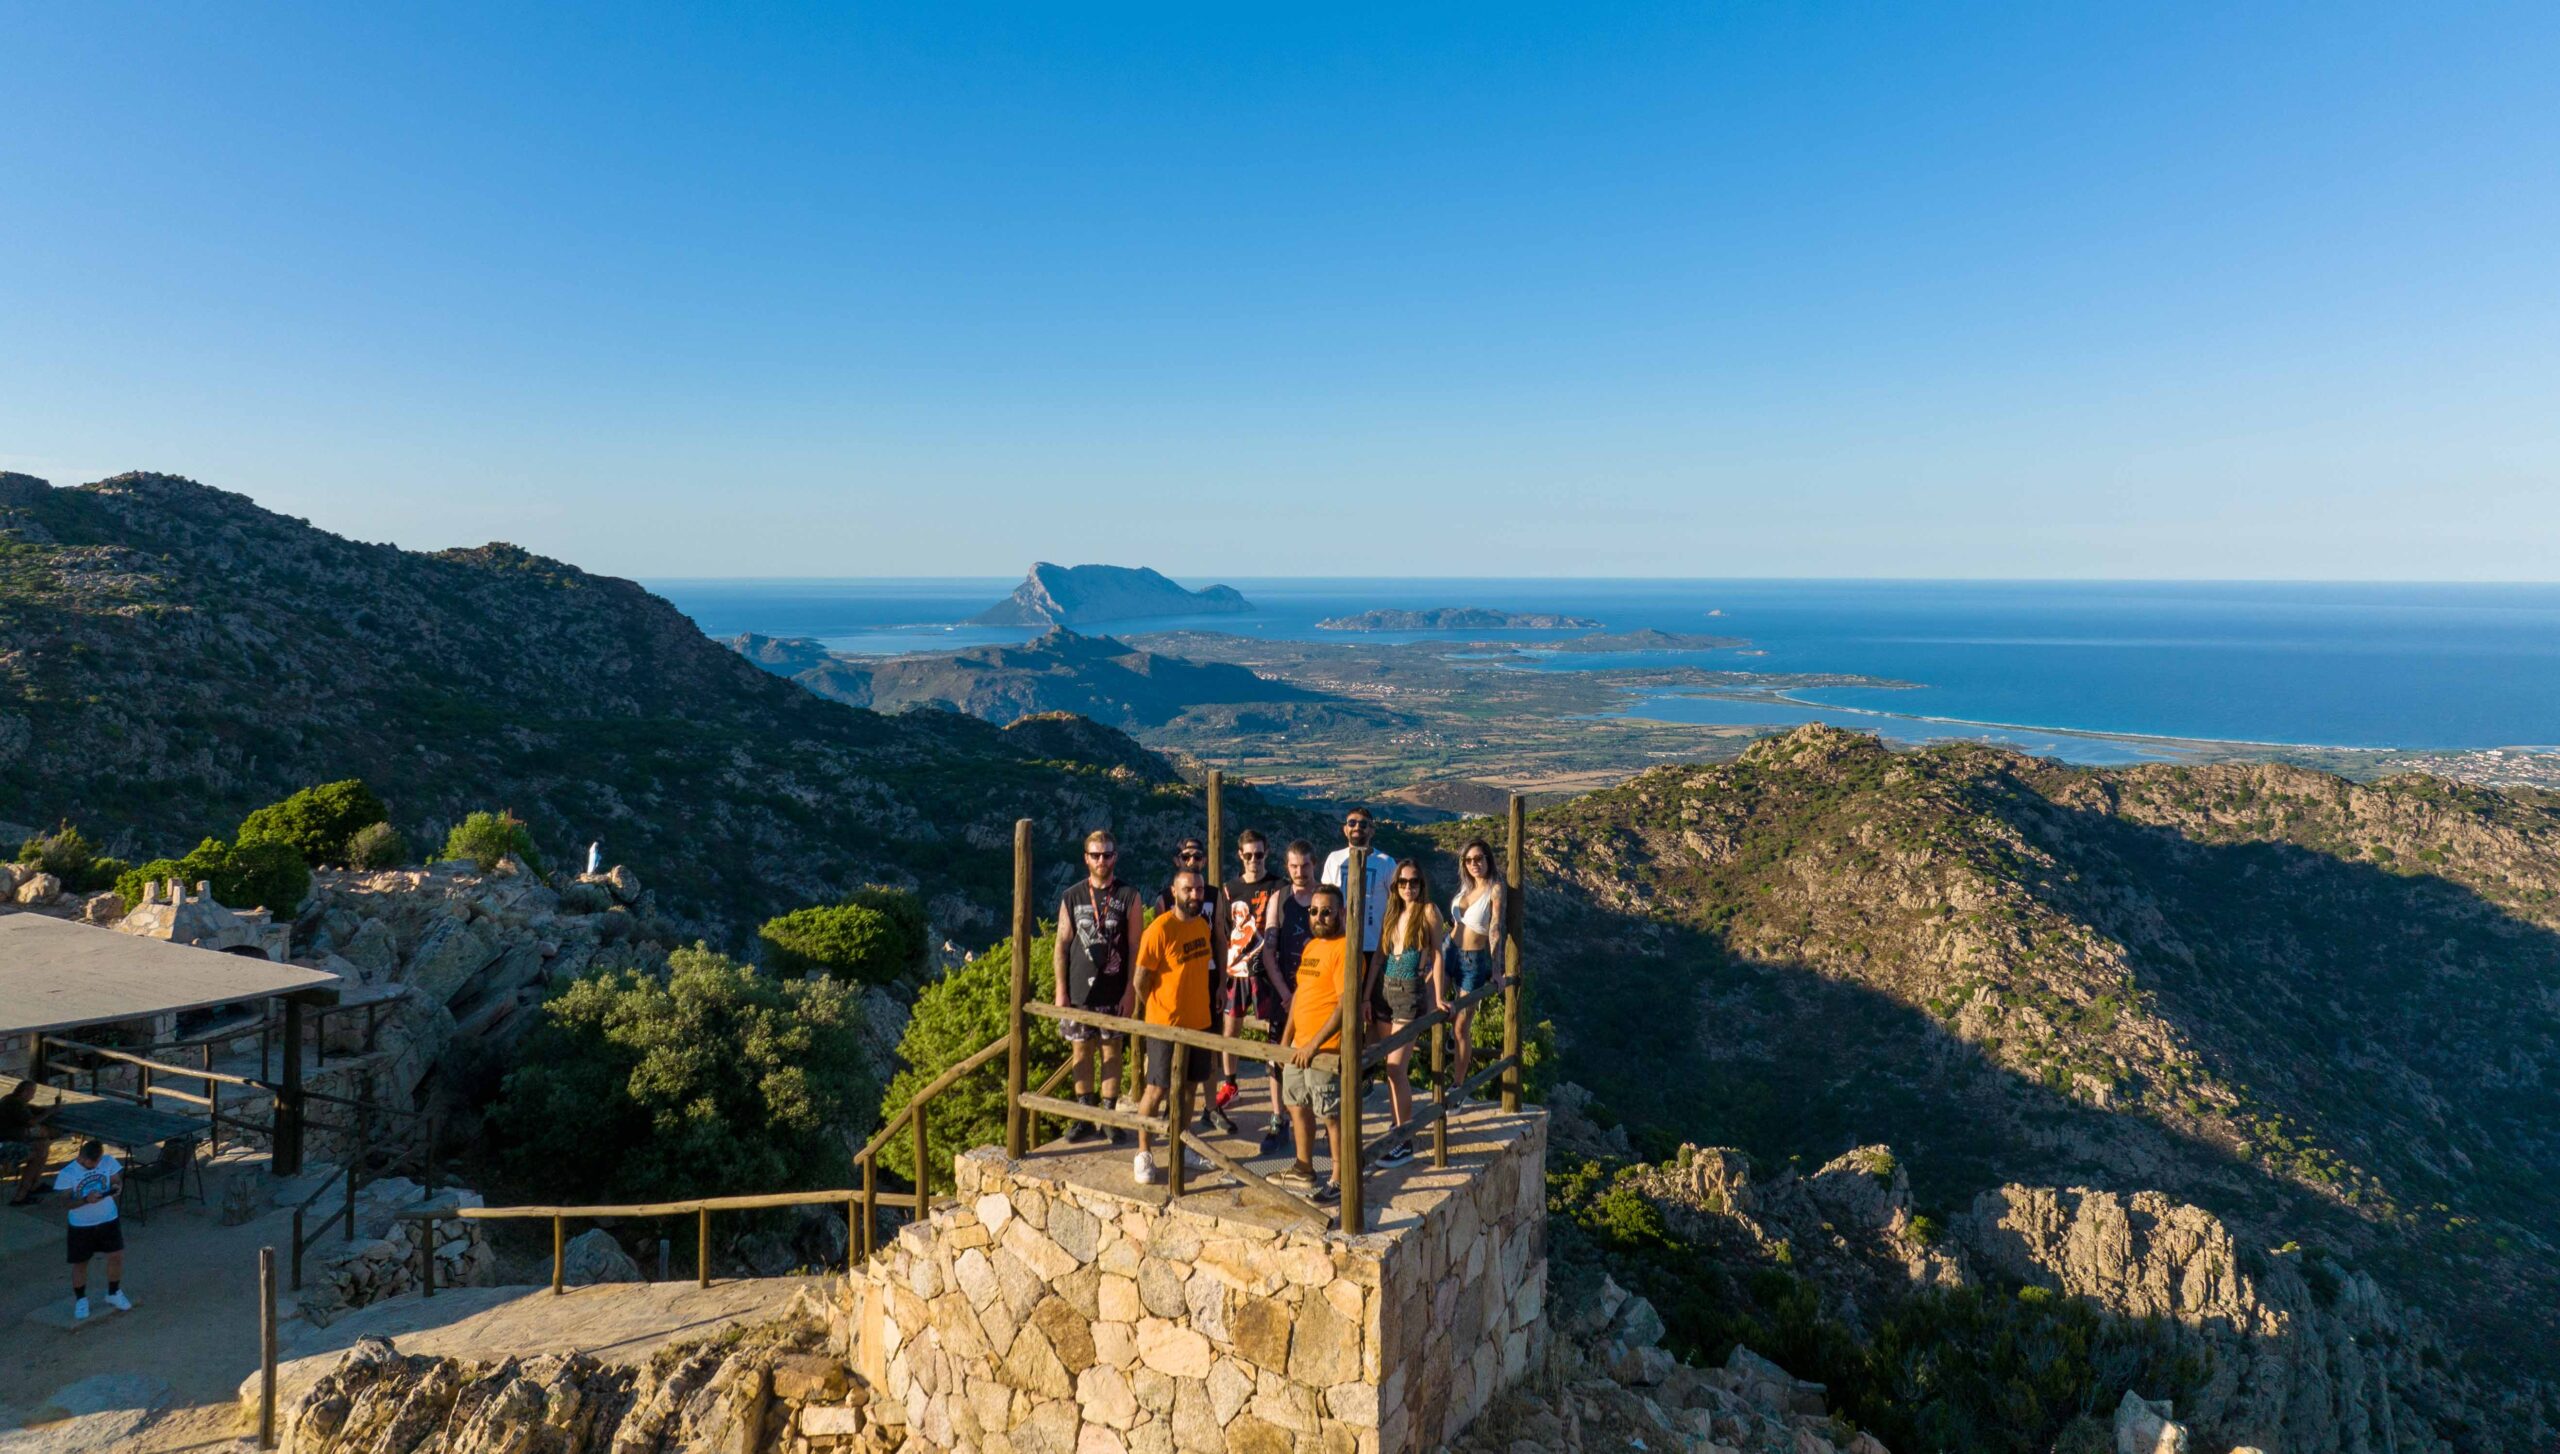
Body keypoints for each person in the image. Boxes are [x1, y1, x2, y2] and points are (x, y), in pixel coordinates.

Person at [1054, 829, 1143, 1146]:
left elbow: (1135, 947)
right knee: (1081, 1051)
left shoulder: (1129, 895)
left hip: (1115, 991)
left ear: (1115, 857)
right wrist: (1060, 990)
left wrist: (1130, 991)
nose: (1101, 860)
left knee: (1112, 1052)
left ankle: (1108, 1118)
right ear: (1086, 858)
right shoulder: (1072, 896)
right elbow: (1061, 945)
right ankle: (1084, 1117)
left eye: (1107, 854)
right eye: (1095, 854)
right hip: (1078, 992)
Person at [1129, 868, 1217, 1187]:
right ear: (1174, 891)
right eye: (1187, 890)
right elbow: (1141, 979)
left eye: (1198, 889)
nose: (1194, 895)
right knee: (1157, 1088)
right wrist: (1158, 1006)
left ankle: (1183, 1142)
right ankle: (1143, 1152)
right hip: (1166, 1025)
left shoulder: (1202, 925)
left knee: (1191, 1086)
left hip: (1199, 1022)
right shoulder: (1160, 929)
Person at [1216, 830, 1293, 1147]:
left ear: (1267, 853)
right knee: (1230, 1028)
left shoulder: (1279, 886)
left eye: (1258, 854)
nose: (1253, 860)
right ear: (1239, 855)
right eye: (1248, 855)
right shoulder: (1229, 889)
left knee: (1274, 1036)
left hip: (1269, 973)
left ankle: (1279, 1112)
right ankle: (1230, 1082)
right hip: (1237, 971)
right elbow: (1222, 933)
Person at [1274, 885, 1349, 1205]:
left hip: (1325, 1051)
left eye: (1327, 911)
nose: (1319, 917)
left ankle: (1340, 1178)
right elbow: (1300, 997)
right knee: (1297, 1106)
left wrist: (1315, 1046)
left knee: (1332, 1116)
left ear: (1341, 913)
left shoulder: (1344, 949)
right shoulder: (1312, 947)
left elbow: (1345, 1006)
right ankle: (1304, 1166)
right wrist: (1286, 1040)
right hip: (1299, 1047)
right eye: (1314, 911)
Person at [1372, 859, 1446, 1167]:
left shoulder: (1428, 911)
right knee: (1389, 1071)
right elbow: (1379, 956)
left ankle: (1404, 1139)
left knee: (1395, 1069)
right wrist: (1366, 996)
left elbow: (1439, 953)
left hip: (1409, 994)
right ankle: (1396, 1125)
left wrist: (1439, 997)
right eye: (1402, 882)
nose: (1408, 888)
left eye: (1413, 882)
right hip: (1385, 991)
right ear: (1395, 886)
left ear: (1421, 883)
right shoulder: (1393, 913)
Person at [1262, 841, 1321, 1145]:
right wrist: (1286, 993)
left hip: (1318, 997)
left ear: (1315, 864)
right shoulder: (1279, 898)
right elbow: (1268, 952)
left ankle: (1313, 1121)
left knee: (1317, 1057)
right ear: (1287, 867)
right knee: (1277, 1055)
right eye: (1294, 866)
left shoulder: (1327, 898)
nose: (1299, 872)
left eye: (1305, 865)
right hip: (1284, 994)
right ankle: (1278, 1118)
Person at [1321, 807, 1397, 1030]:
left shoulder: (1386, 862)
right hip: (1341, 945)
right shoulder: (1334, 859)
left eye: (1363, 824)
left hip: (1375, 947)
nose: (1357, 827)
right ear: (1345, 829)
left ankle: (1370, 1064)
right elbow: (1325, 899)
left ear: (1372, 830)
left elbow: (1396, 905)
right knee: (1341, 1007)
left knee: (1374, 1012)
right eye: (1352, 823)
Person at [1448, 837, 1506, 1096]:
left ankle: (1458, 1087)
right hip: (1448, 952)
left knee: (1462, 1027)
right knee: (1426, 1007)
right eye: (1468, 860)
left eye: (1478, 858)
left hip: (1473, 961)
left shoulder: (1495, 888)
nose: (1474, 864)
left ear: (1488, 859)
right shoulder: (1465, 887)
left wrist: (1496, 969)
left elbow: (1495, 928)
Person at [56, 1139, 129, 1320]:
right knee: (80, 1263)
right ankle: (81, 1299)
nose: (95, 1165)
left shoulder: (108, 1162)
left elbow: (116, 1179)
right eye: (91, 1163)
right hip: (81, 1225)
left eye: (97, 1162)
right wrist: (85, 1200)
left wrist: (116, 1187)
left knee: (116, 1255)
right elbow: (65, 1202)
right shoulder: (67, 1173)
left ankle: (114, 1292)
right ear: (82, 1157)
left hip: (108, 1219)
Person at [3, 1079, 56, 1205]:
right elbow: (31, 1122)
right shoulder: (14, 1103)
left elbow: (30, 1110)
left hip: (10, 1139)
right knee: (37, 1153)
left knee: (43, 1144)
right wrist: (51, 1111)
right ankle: (20, 1196)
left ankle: (34, 1185)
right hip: (5, 1144)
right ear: (26, 1092)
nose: (33, 1095)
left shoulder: (11, 1099)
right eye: (33, 1092)